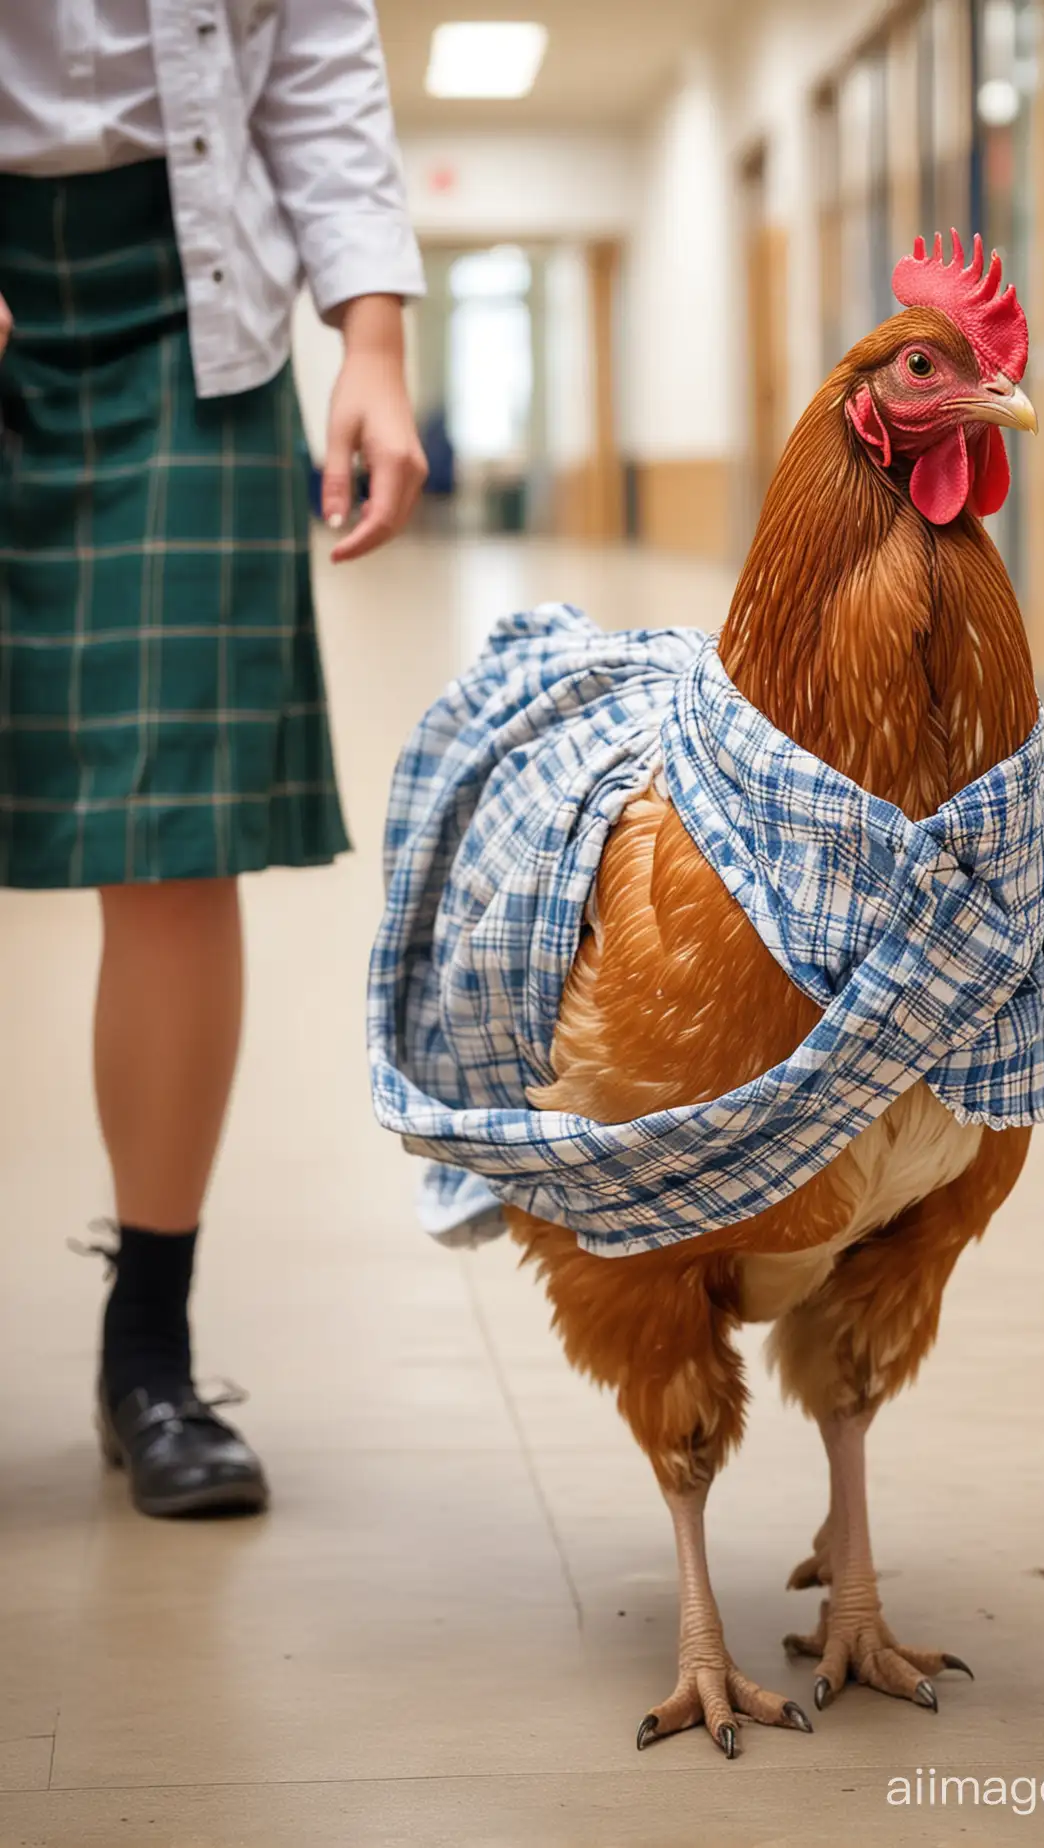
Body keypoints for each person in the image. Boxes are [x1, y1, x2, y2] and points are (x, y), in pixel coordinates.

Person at [0, 3, 426, 1517]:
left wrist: (371, 330)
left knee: (175, 835)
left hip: (201, 320)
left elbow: (312, 49)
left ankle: (149, 1352)